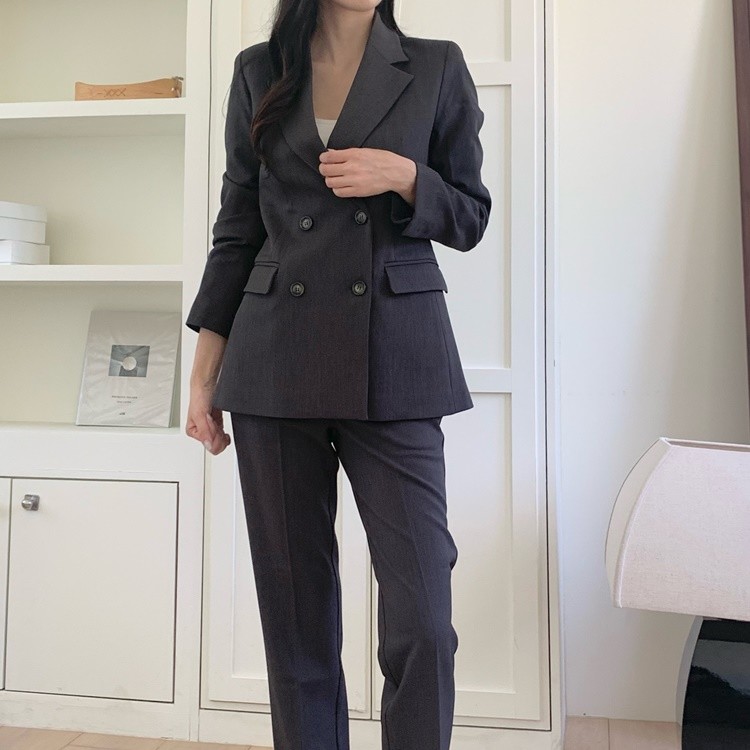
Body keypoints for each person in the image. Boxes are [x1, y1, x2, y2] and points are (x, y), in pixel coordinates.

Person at [185, 1, 491, 748]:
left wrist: (406, 177)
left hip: (397, 360)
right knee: (296, 620)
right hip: (273, 361)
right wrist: (203, 376)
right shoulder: (260, 70)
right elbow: (238, 225)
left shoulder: (435, 64)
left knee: (423, 617)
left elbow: (471, 216)